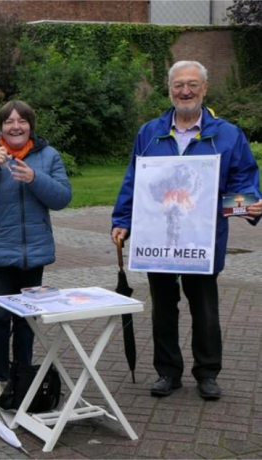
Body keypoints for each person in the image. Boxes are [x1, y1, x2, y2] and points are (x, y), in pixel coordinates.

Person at [111, 61, 262, 401]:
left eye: (192, 84)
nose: (185, 91)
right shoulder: (149, 133)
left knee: (204, 308)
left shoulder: (227, 134)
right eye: (179, 84)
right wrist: (122, 220)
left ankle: (207, 372)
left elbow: (242, 179)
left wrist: (249, 204)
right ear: (169, 90)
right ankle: (168, 372)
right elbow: (133, 180)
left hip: (204, 239)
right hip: (157, 237)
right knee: (163, 307)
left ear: (205, 88)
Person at [0, 100, 72, 406]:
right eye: (9, 121)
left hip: (33, 253)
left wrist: (35, 179)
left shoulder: (48, 156)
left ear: (30, 126)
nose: (15, 126)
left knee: (27, 319)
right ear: (0, 127)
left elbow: (63, 197)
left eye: (21, 121)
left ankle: (23, 376)